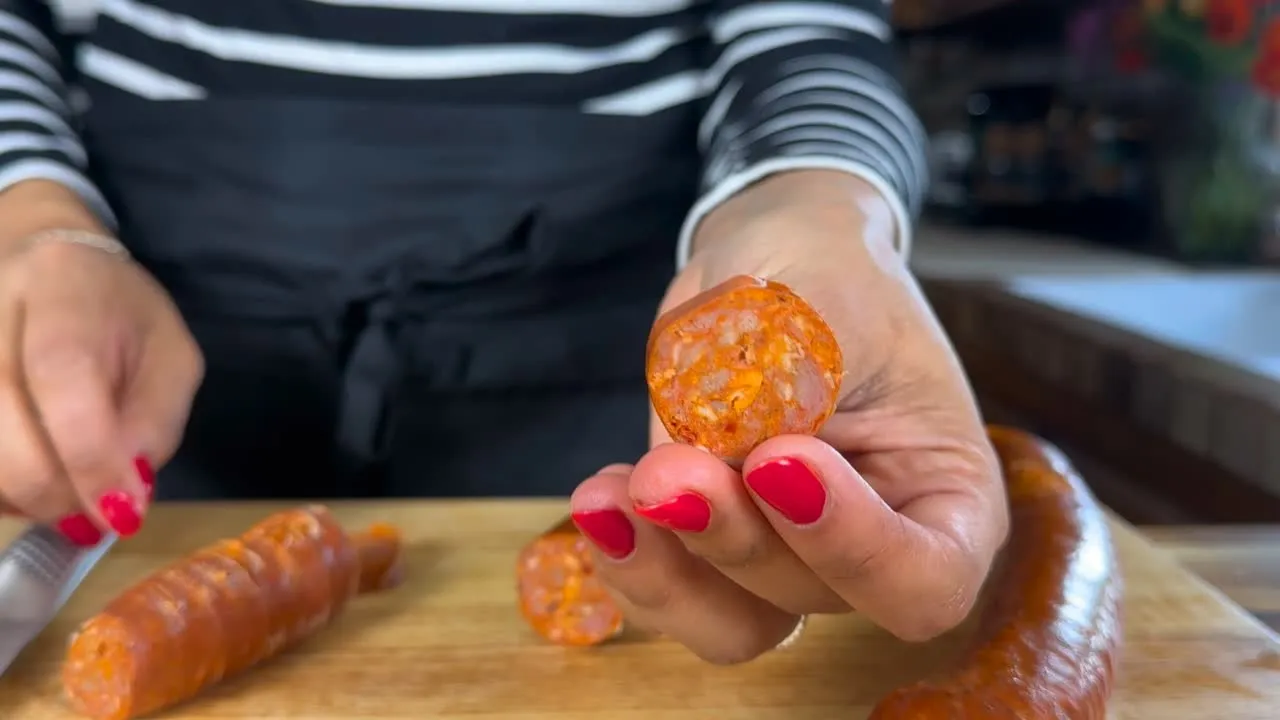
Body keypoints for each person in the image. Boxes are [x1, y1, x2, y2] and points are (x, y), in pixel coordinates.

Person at [0, 0, 1007, 664]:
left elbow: (806, 29)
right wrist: (34, 217)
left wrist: (822, 213)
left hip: (592, 360)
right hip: (140, 345)